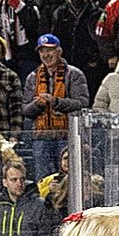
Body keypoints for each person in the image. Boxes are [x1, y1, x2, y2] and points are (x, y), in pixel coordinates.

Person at [23, 34, 91, 182]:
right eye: (42, 51)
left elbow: (82, 103)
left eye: (50, 50)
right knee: (44, 181)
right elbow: (26, 110)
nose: (46, 55)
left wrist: (56, 102)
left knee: (71, 179)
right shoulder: (32, 77)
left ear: (59, 51)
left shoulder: (74, 74)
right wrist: (37, 104)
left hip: (67, 137)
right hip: (41, 139)